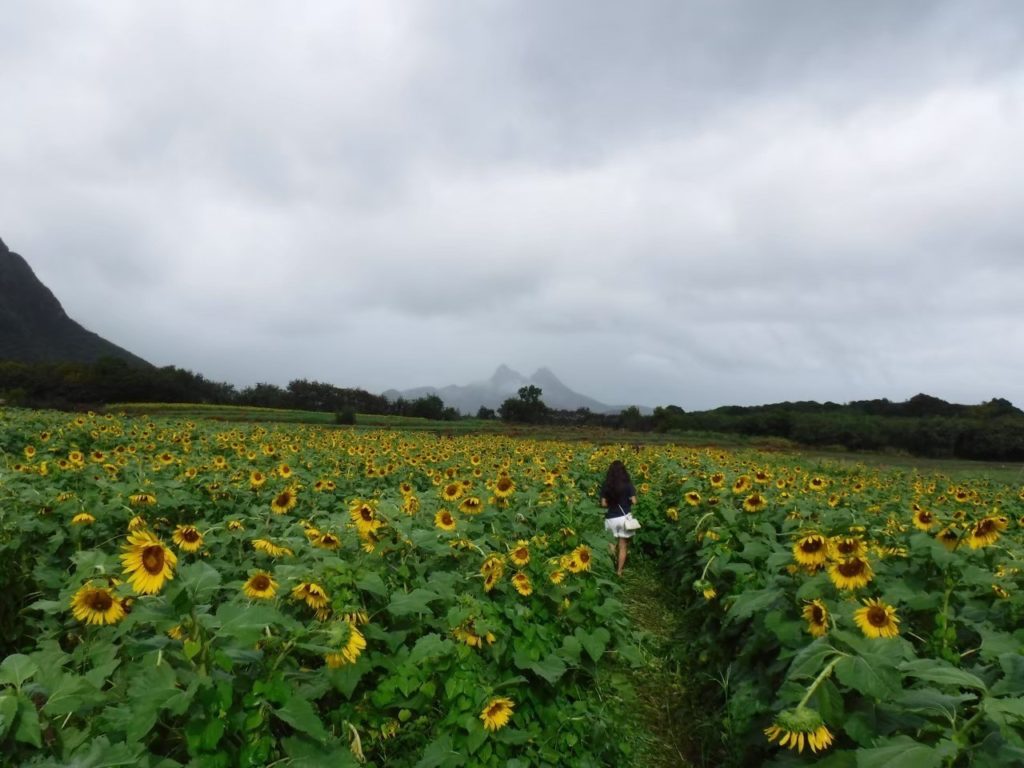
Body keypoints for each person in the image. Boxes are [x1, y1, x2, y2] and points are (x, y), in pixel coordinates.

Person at [600, 460, 637, 576]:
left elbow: (603, 504)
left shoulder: (606, 485)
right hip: (624, 518)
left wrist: (612, 502)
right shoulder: (628, 484)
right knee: (623, 546)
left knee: (611, 544)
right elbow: (634, 501)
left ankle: (609, 569)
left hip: (611, 518)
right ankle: (619, 571)